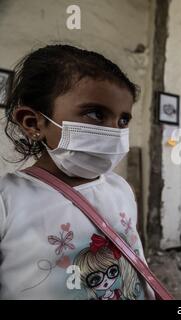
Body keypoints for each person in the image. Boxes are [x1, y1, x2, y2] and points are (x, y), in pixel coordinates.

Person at [0, 44, 155, 300]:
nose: (114, 131)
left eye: (123, 120)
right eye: (95, 113)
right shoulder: (8, 199)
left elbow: (135, 258)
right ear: (33, 122)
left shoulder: (120, 188)